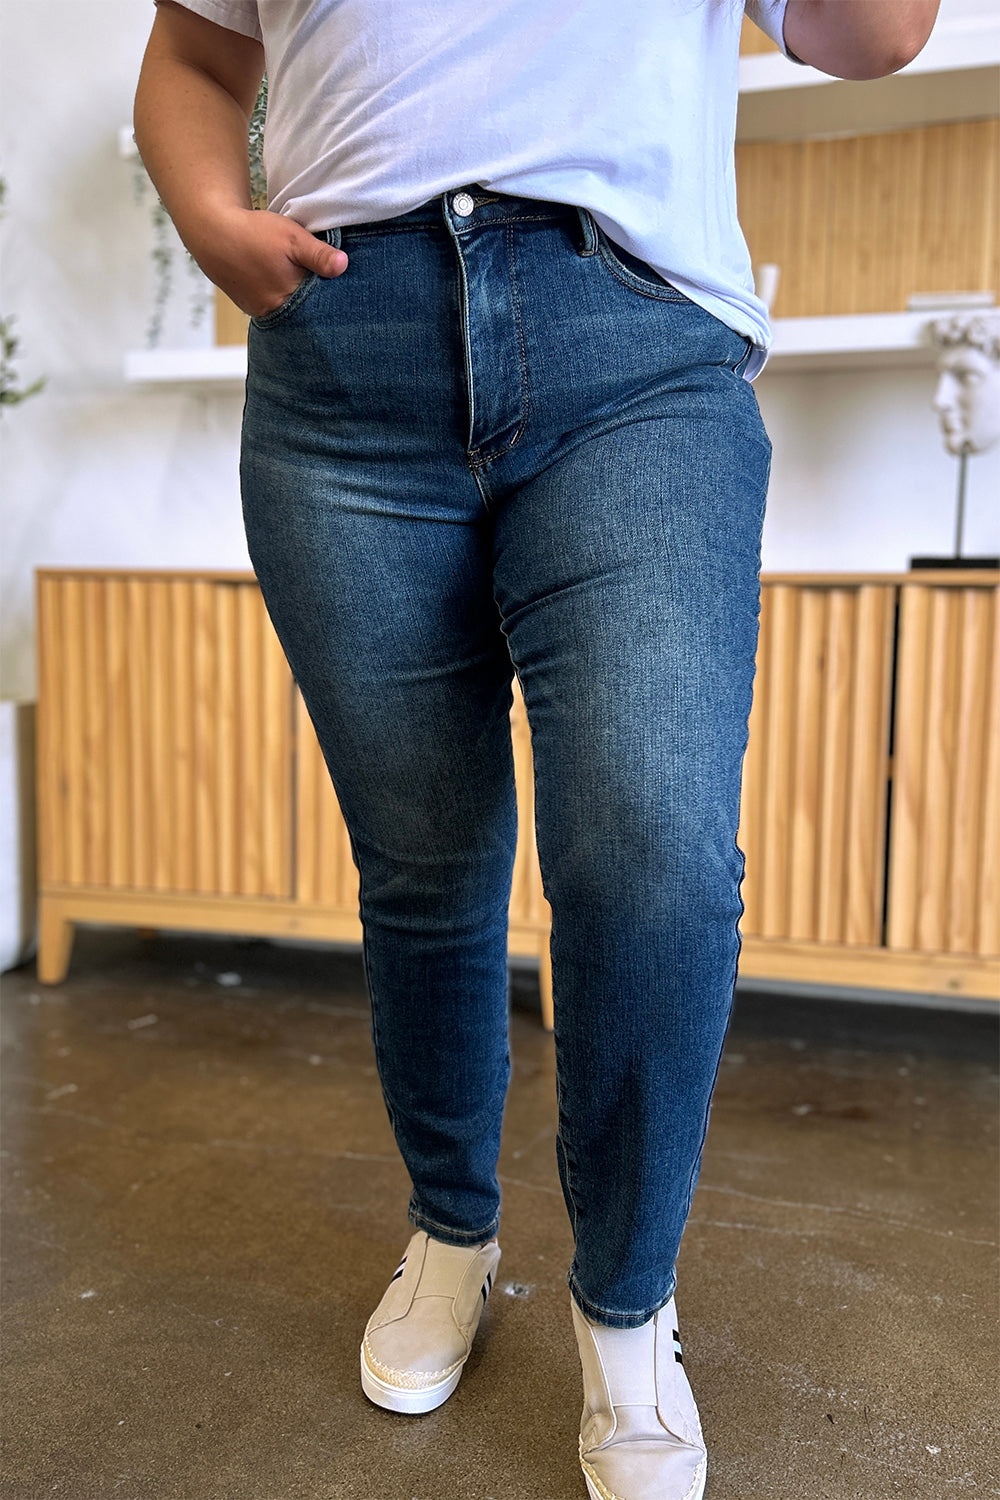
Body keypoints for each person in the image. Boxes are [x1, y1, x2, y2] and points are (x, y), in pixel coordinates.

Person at [133, 2, 938, 1494]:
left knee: (650, 855)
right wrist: (206, 214)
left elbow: (874, 35)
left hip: (628, 340)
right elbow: (195, 52)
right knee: (423, 862)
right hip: (339, 363)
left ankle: (627, 1304)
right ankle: (452, 1232)